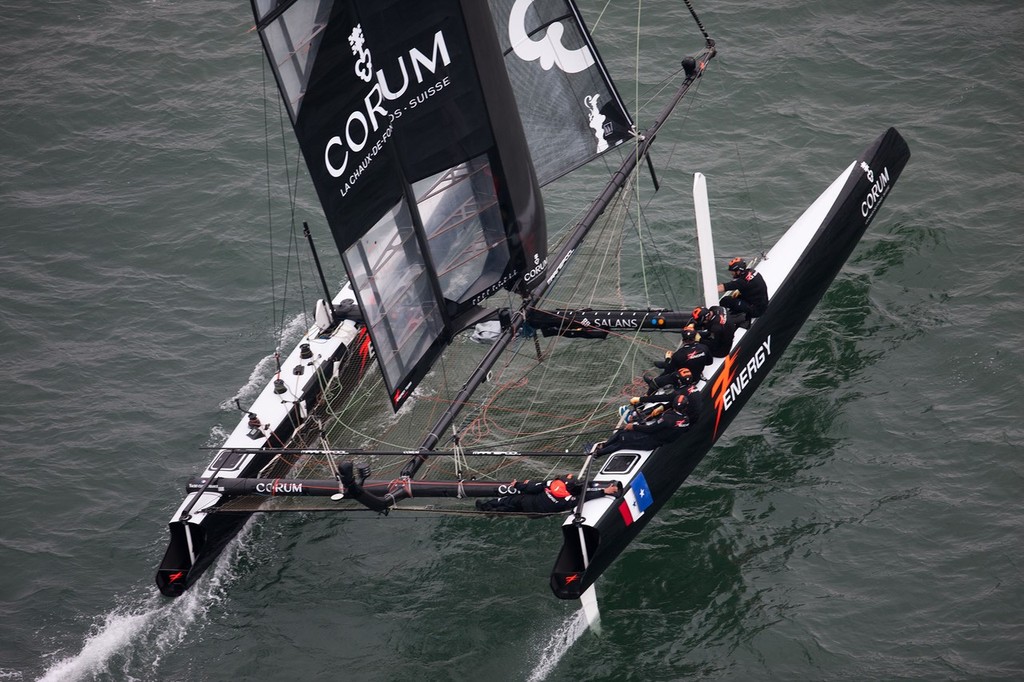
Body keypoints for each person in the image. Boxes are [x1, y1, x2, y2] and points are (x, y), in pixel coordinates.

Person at [592, 393, 692, 456]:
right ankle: (604, 445)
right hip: (659, 438)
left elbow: (651, 429)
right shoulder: (686, 420)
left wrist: (633, 426)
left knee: (622, 439)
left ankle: (597, 453)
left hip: (650, 441)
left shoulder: (667, 419)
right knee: (622, 432)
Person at [475, 475, 620, 513]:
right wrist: (605, 491)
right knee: (512, 508)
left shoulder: (550, 485)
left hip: (527, 501)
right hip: (537, 511)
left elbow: (531, 488)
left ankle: (485, 508)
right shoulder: (568, 500)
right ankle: (495, 511)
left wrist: (518, 485)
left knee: (506, 501)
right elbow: (586, 497)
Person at [717, 257, 768, 322]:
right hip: (761, 303)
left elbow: (723, 287)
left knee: (725, 301)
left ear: (738, 271)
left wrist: (709, 291)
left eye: (733, 272)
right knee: (734, 299)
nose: (732, 273)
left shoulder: (742, 282)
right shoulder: (752, 272)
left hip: (756, 310)